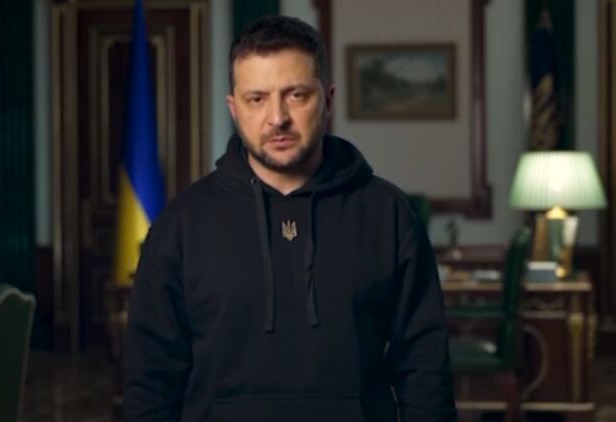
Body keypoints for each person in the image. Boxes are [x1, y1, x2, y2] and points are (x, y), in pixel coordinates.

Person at [125, 15, 457, 422]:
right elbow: (150, 380)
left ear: (328, 100)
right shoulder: (182, 223)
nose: (277, 117)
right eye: (257, 99)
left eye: (296, 95)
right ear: (234, 109)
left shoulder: (389, 213)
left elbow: (425, 367)